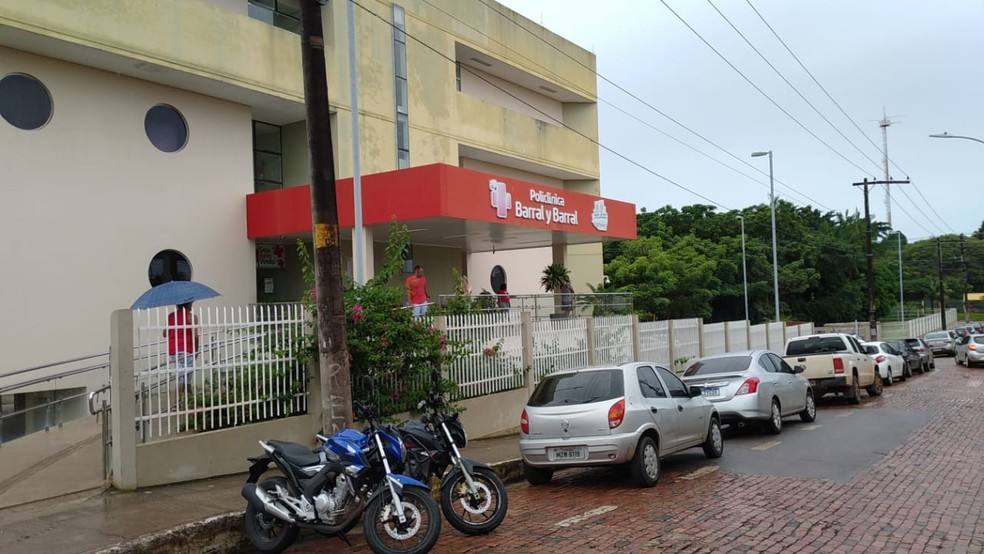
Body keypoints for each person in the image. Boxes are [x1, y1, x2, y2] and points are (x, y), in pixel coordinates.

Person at [165, 302, 199, 397]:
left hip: (173, 351)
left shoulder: (170, 316)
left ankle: (190, 401)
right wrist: (196, 351)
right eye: (191, 304)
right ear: (188, 305)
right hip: (186, 350)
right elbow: (195, 336)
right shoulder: (191, 317)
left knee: (186, 378)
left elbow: (165, 333)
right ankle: (177, 404)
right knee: (182, 379)